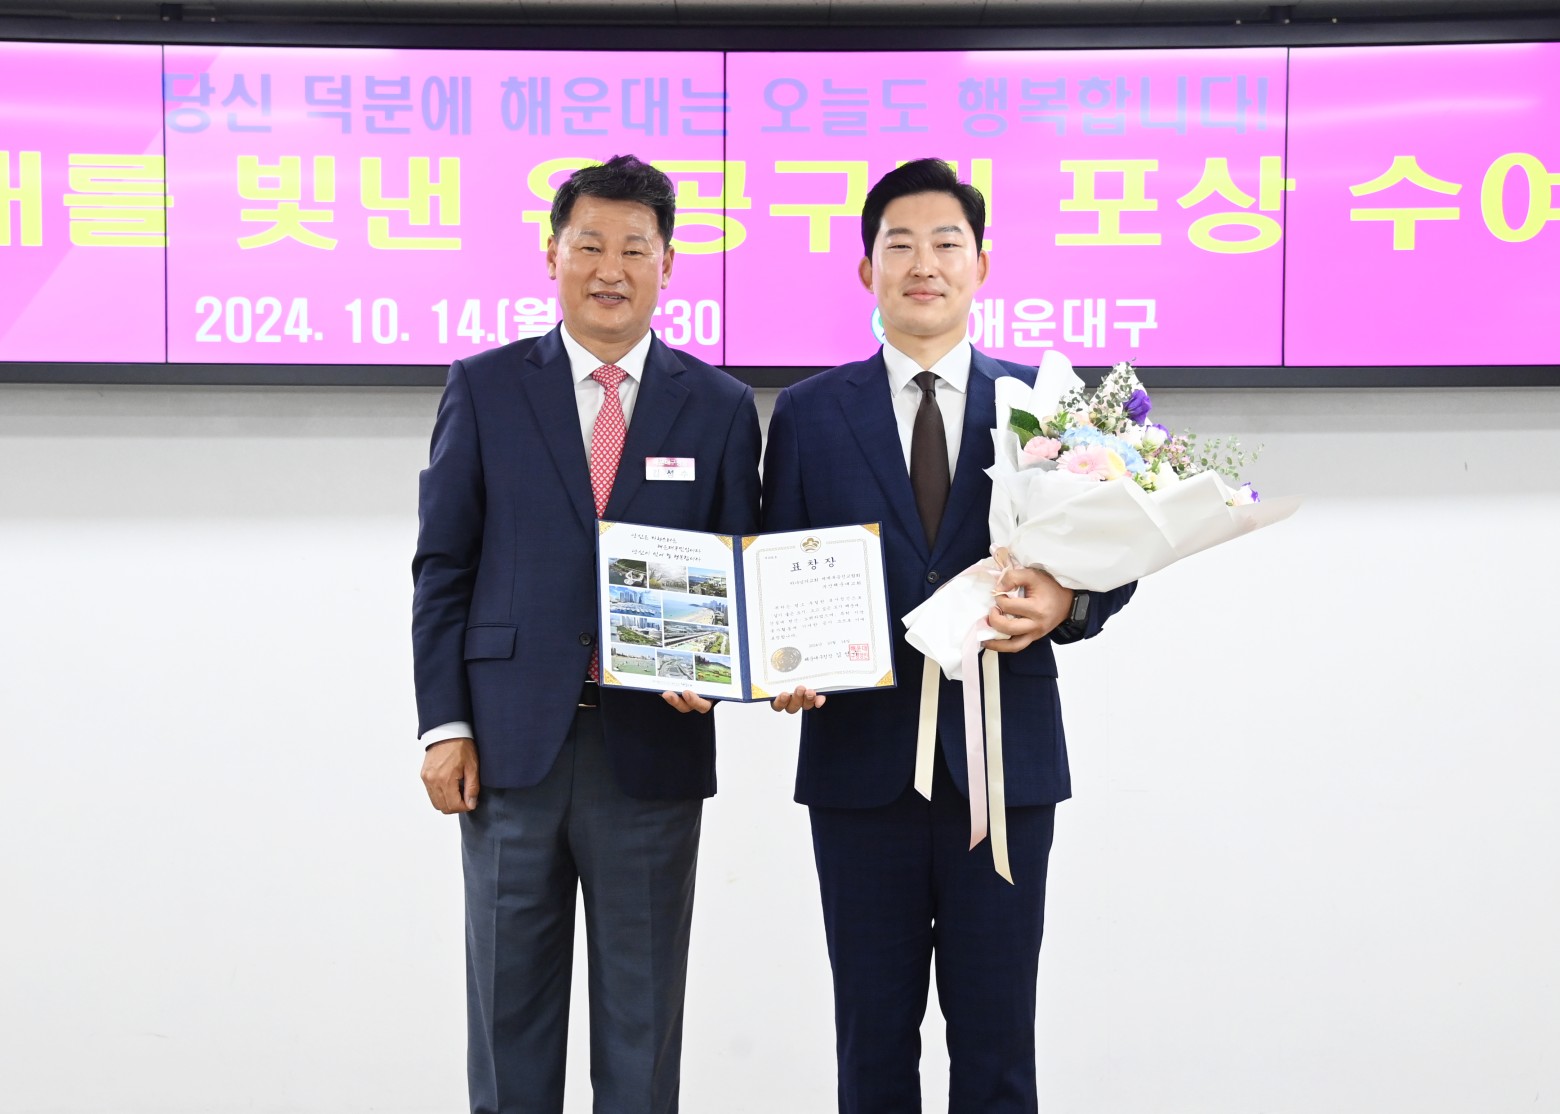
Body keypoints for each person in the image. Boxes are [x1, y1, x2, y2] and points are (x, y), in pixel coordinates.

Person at [761, 158, 1136, 1114]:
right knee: (872, 1045)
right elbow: (778, 565)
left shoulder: (1042, 407)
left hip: (1005, 769)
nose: (923, 264)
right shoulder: (807, 414)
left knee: (998, 1043)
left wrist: (1064, 603)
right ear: (867, 271)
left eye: (945, 243)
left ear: (981, 265)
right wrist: (781, 665)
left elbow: (1114, 558)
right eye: (899, 245)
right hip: (860, 769)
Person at [412, 155, 761, 1114]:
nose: (611, 269)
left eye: (635, 249)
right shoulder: (485, 387)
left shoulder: (721, 407)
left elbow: (738, 571)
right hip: (508, 751)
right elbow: (443, 567)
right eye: (590, 245)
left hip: (651, 749)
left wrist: (725, 669)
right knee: (507, 1021)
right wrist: (444, 725)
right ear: (552, 254)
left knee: (642, 1032)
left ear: (668, 264)